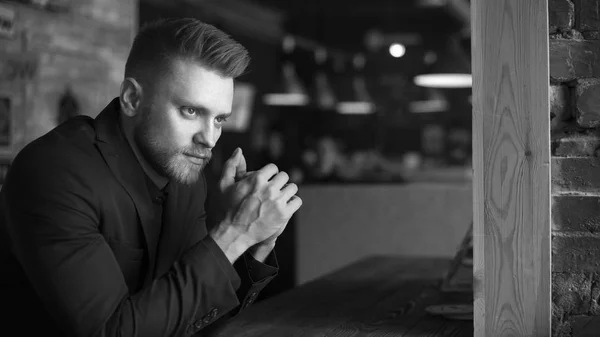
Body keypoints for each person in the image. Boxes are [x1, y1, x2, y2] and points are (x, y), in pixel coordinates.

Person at [0, 18, 302, 337]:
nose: (209, 139)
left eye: (219, 119)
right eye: (191, 112)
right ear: (132, 99)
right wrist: (235, 232)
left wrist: (256, 239)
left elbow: (194, 316)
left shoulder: (186, 175)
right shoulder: (54, 172)